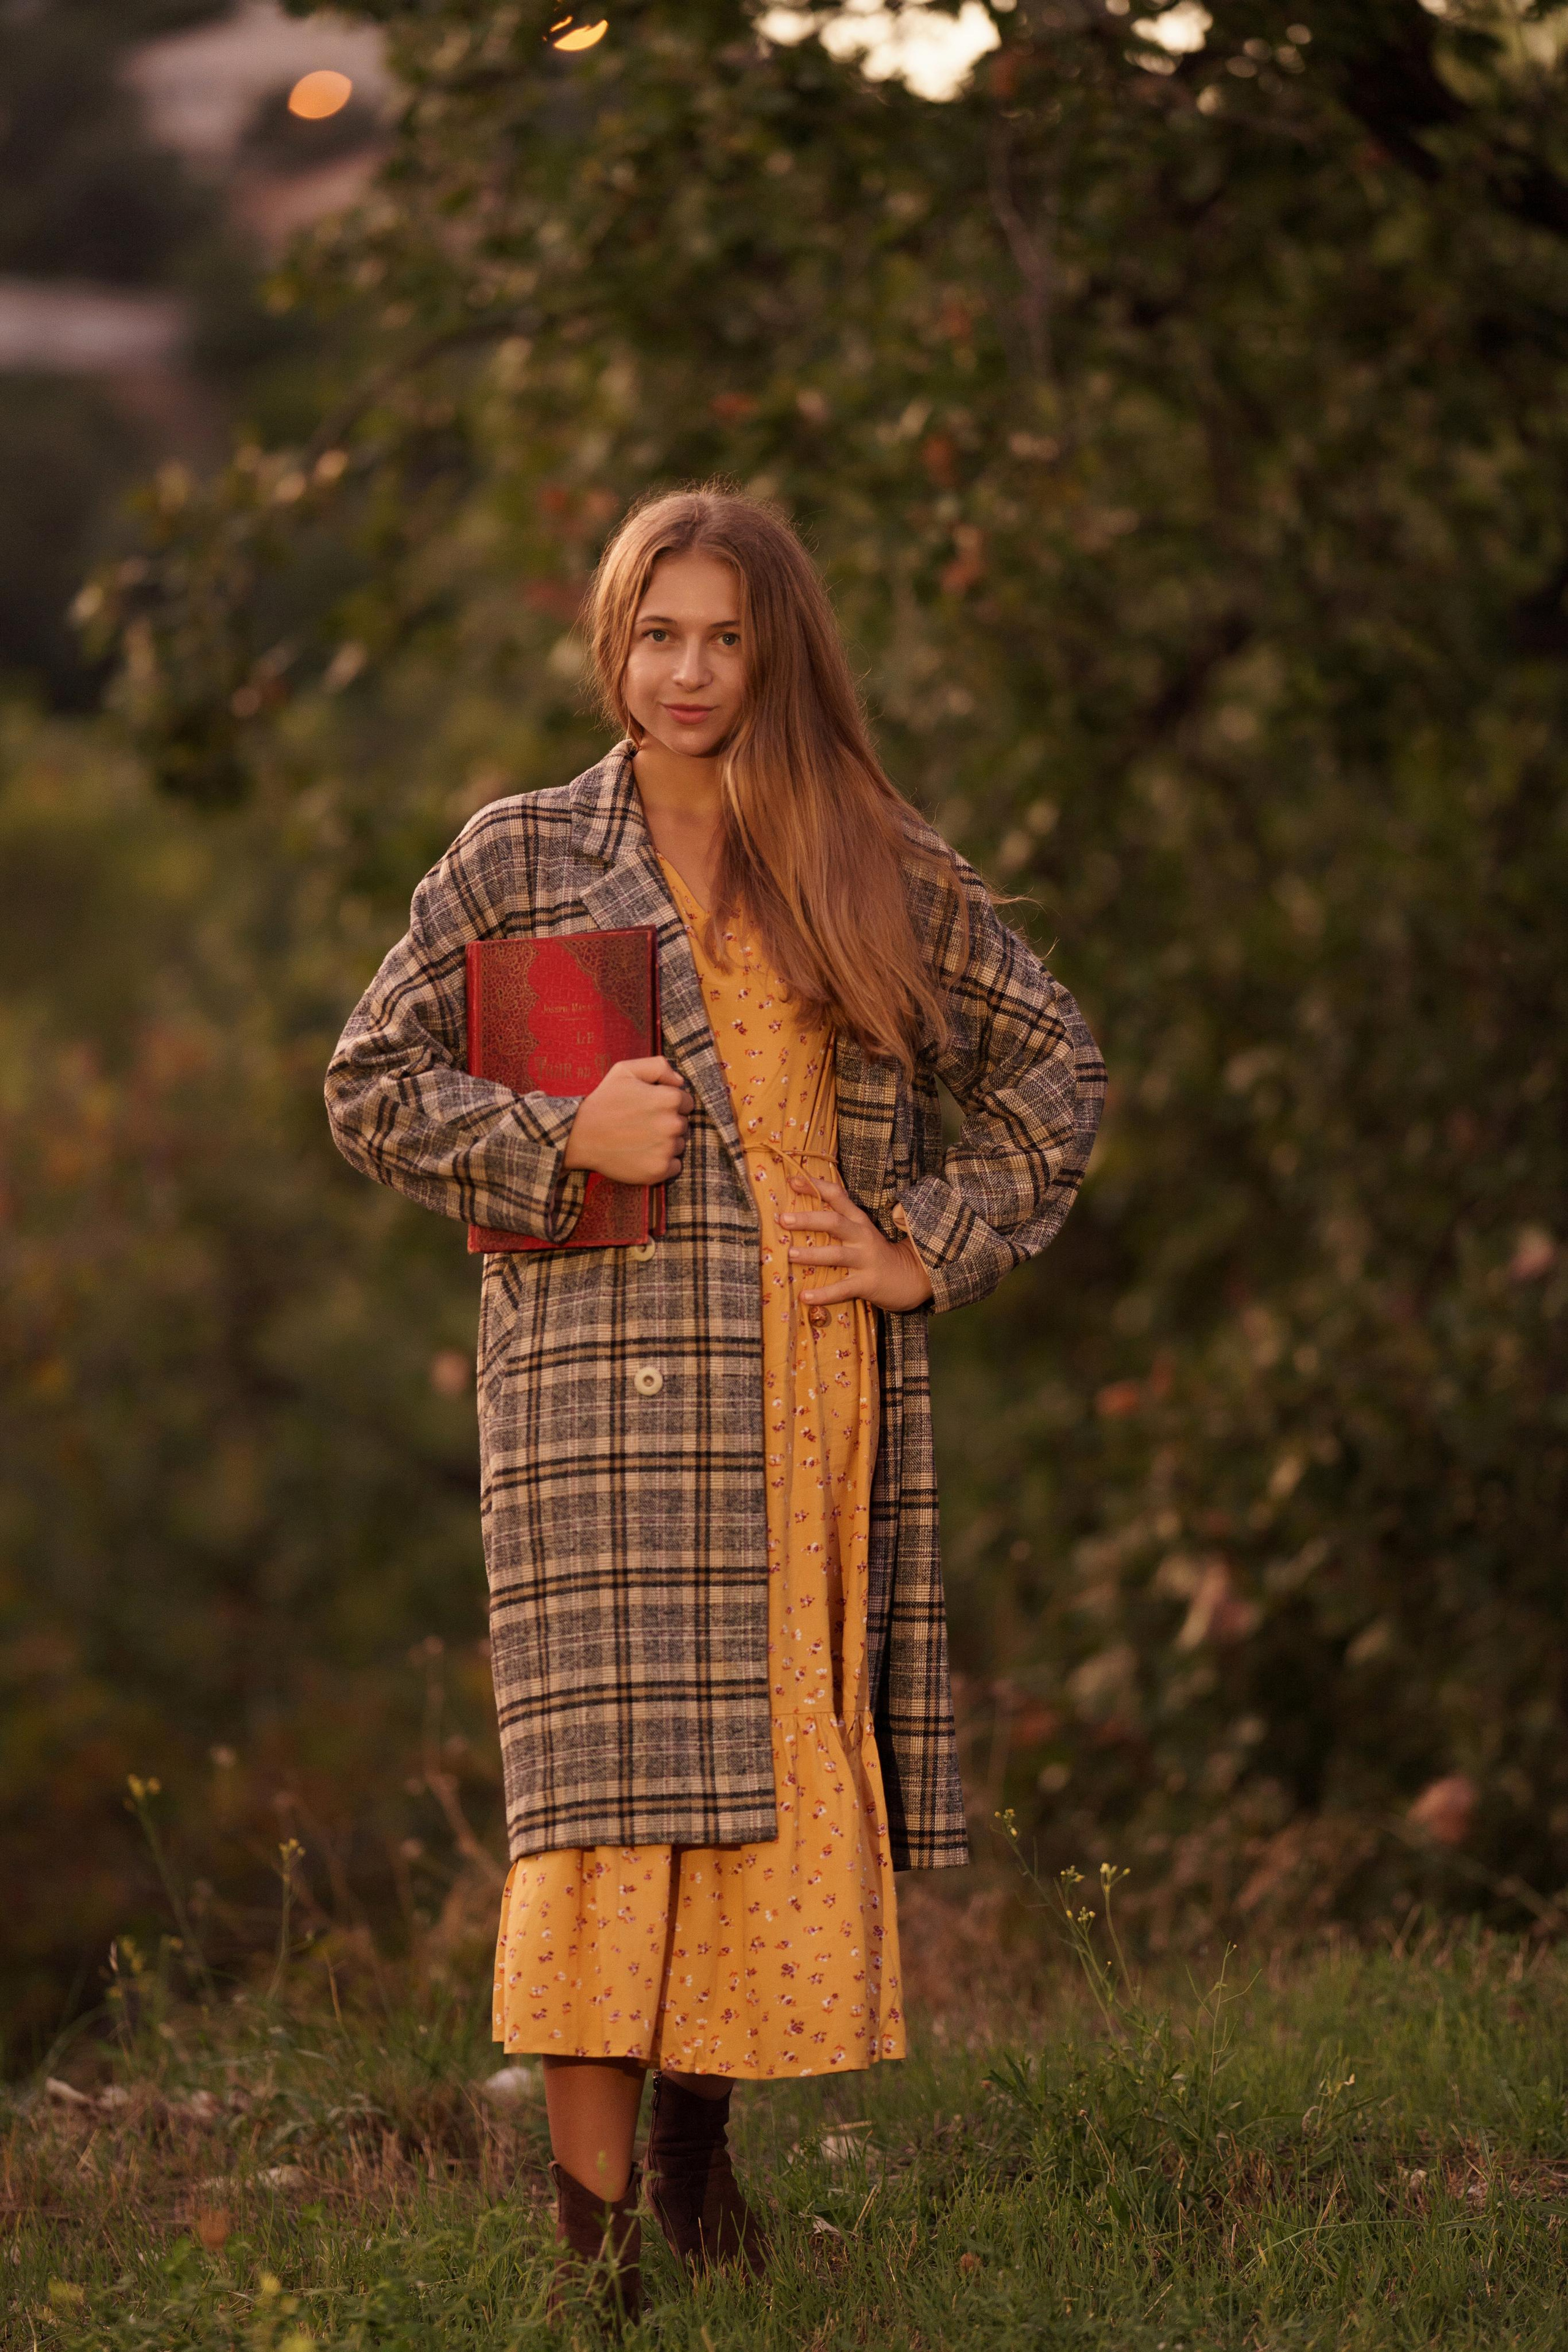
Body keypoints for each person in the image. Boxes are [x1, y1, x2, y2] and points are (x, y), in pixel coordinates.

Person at [325, 486, 1104, 2324]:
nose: (686, 671)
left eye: (723, 638)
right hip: (592, 1411)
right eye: (655, 632)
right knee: (603, 1814)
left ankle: (699, 2169)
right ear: (613, 643)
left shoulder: (866, 858)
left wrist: (926, 1240)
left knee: (744, 1795)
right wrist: (547, 1135)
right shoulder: (517, 855)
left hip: (803, 1397)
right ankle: (593, 2272)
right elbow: (367, 1080)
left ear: (779, 654)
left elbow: (1055, 1066)